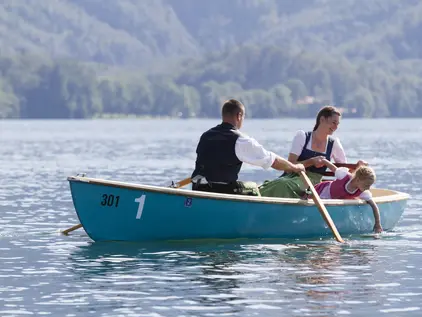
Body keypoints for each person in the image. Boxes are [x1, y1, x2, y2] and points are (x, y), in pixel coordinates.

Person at [191, 99, 305, 196]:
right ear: (239, 116)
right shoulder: (240, 140)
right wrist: (294, 167)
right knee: (253, 188)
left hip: (198, 188)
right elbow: (272, 161)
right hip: (221, 191)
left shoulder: (206, 136)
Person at [259, 105, 366, 198]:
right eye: (334, 123)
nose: (336, 127)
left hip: (312, 183)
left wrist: (358, 167)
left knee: (283, 184)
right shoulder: (302, 137)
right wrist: (311, 161)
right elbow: (290, 166)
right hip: (292, 177)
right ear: (322, 119)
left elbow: (343, 172)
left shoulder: (334, 144)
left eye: (337, 124)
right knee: (278, 184)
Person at [308, 159, 382, 233]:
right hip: (322, 192)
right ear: (358, 180)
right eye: (367, 185)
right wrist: (323, 161)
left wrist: (377, 224)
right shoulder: (343, 175)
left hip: (333, 201)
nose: (368, 188)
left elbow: (374, 206)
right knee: (309, 200)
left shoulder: (362, 192)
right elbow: (333, 168)